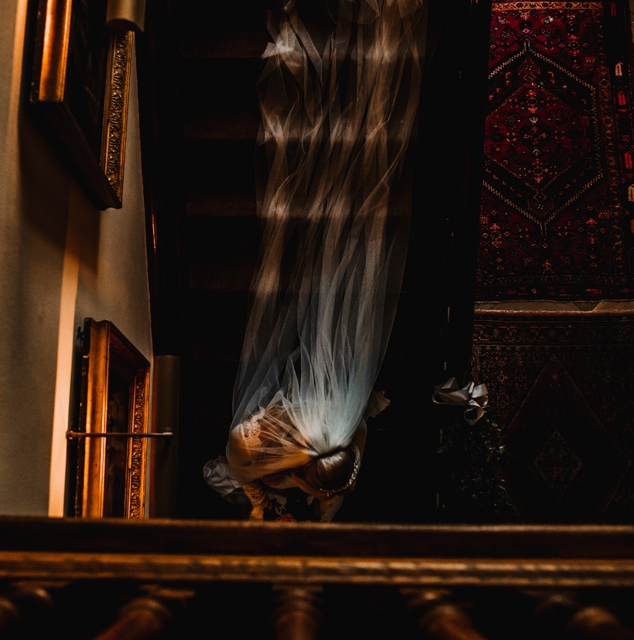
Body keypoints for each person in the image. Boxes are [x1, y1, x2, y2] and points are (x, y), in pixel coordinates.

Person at [203, 0, 426, 521]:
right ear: (305, 470)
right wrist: (269, 506)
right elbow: (248, 470)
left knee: (313, 238)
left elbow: (268, 476)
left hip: (287, 433)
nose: (321, 499)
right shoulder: (275, 444)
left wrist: (263, 511)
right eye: (320, 494)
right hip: (284, 438)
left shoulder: (279, 442)